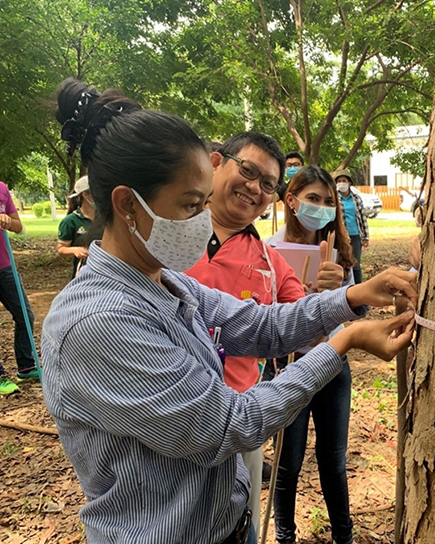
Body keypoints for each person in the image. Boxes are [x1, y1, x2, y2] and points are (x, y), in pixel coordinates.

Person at [43, 78, 416, 544]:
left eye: (203, 203)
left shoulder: (166, 283)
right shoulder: (100, 322)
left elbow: (260, 324)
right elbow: (231, 425)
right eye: (189, 205)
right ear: (127, 205)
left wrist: (354, 297)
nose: (203, 220)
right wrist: (344, 340)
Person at [185, 132, 308, 534]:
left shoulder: (270, 262)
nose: (254, 188)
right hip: (170, 413)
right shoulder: (168, 235)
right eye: (248, 170)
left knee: (242, 526)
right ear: (217, 162)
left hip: (240, 421)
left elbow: (303, 321)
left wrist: (332, 294)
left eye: (268, 184)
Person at [266, 166, 356, 544]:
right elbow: (257, 314)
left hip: (333, 366)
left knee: (333, 461)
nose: (320, 208)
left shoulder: (340, 255)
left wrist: (336, 295)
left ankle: (344, 536)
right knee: (288, 462)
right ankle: (285, 536)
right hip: (289, 368)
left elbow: (353, 310)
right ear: (291, 200)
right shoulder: (269, 250)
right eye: (313, 199)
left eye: (328, 201)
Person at [0, 151, 38, 395]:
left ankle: (26, 367)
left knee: (25, 315)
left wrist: (7, 219)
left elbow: (18, 227)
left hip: (5, 266)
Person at [57, 175, 101, 277]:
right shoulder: (70, 221)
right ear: (85, 194)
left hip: (106, 270)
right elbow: (61, 249)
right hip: (83, 273)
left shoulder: (106, 218)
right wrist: (76, 250)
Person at [335, 169, 368, 284]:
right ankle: (345, 291)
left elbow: (362, 217)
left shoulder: (356, 198)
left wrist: (365, 236)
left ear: (349, 183)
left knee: (356, 264)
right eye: (339, 181)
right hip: (341, 236)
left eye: (344, 180)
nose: (341, 183)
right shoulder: (334, 199)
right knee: (343, 263)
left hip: (356, 235)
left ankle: (359, 290)